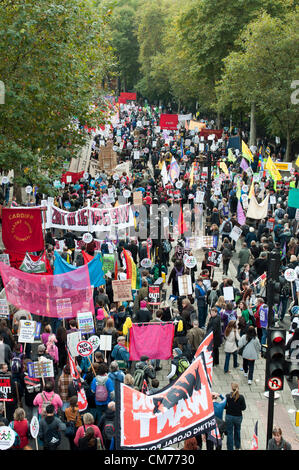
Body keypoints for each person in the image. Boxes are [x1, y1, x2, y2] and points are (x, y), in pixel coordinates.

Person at [225, 383, 246, 451]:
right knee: (237, 431)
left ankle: (230, 448)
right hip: (238, 417)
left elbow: (225, 406)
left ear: (231, 388)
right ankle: (237, 446)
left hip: (229, 416)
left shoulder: (228, 396)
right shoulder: (241, 397)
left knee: (230, 432)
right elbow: (243, 408)